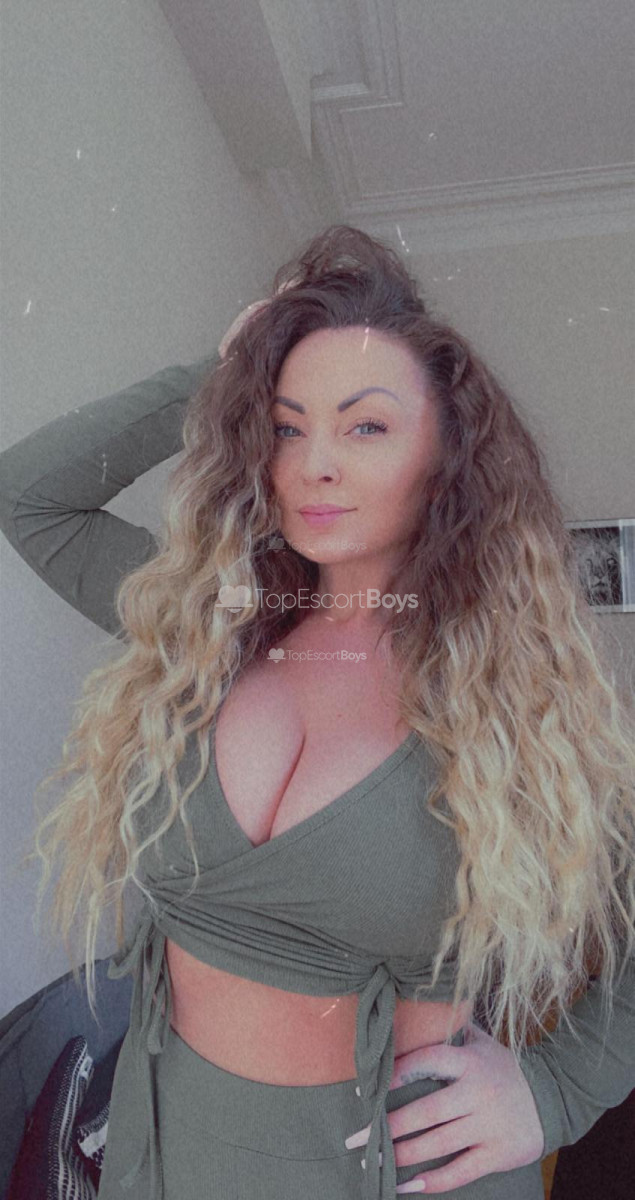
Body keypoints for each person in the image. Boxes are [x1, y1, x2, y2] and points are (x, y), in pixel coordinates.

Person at [0, 224, 633, 1200]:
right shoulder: (207, 624)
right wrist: (222, 375)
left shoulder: (515, 697)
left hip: (398, 1172)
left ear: (446, 452)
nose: (315, 462)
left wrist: (555, 1091)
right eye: (286, 425)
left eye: (365, 425)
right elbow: (32, 496)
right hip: (171, 1149)